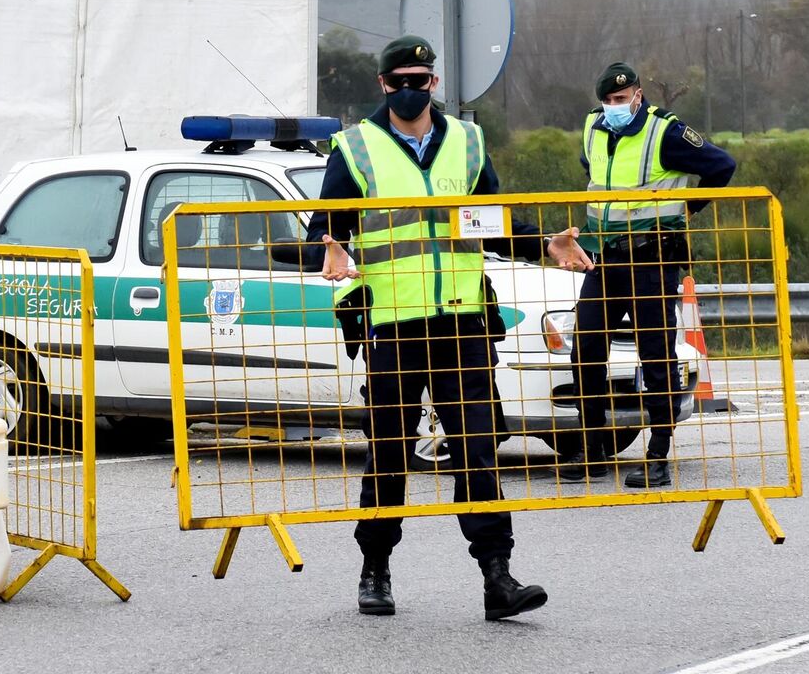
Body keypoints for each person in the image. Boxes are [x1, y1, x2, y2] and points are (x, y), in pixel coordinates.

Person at [309, 34, 576, 621]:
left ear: (436, 83)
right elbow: (322, 236)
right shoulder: (355, 150)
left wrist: (543, 245)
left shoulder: (468, 142)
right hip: (394, 327)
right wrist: (330, 248)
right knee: (389, 455)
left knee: (479, 454)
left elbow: (493, 224)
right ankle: (375, 570)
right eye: (399, 80)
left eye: (421, 80)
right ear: (383, 84)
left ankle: (498, 578)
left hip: (462, 324)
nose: (410, 90)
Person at [547, 61, 736, 489]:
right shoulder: (593, 126)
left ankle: (657, 454)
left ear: (638, 93)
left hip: (652, 259)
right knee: (586, 349)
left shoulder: (664, 131)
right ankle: (592, 446)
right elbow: (592, 170)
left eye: (621, 99)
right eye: (608, 101)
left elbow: (722, 166)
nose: (615, 107)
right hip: (606, 259)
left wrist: (685, 210)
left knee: (655, 357)